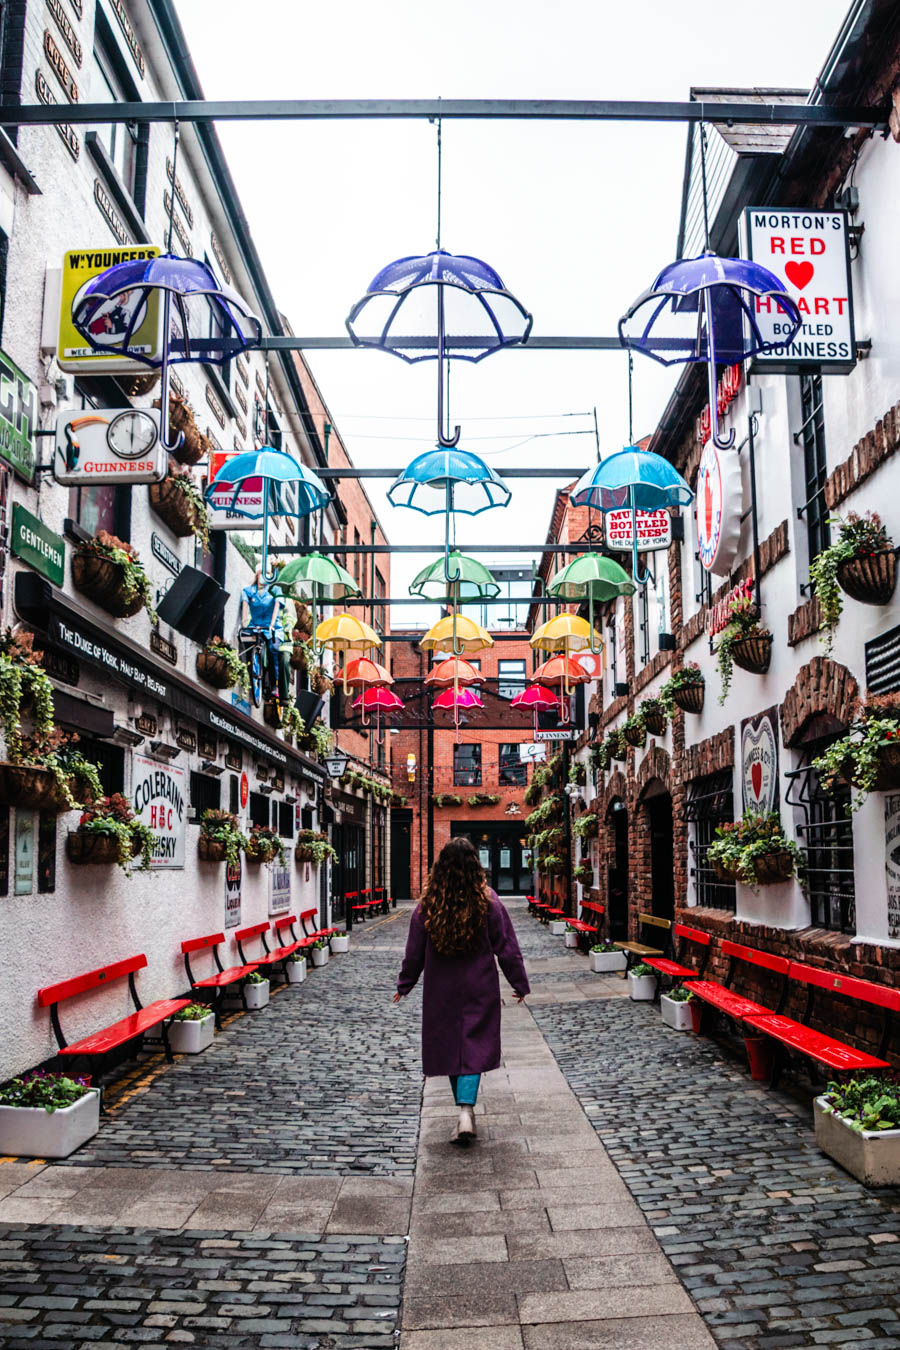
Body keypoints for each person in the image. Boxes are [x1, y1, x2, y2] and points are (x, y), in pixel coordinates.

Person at [393, 837, 530, 1145]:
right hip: (479, 986)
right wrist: (519, 983)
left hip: (442, 989)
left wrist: (405, 984)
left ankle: (464, 1111)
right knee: (473, 1045)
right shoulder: (489, 900)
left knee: (453, 1046)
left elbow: (414, 951)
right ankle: (466, 1110)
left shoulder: (428, 905)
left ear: (441, 867)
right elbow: (507, 947)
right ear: (474, 866)